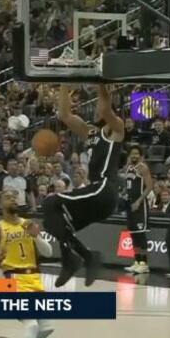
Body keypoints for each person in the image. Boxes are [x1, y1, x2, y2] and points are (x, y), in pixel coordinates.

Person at [42, 85, 123, 287]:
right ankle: (82, 258)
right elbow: (64, 114)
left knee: (50, 202)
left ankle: (79, 259)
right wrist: (63, 85)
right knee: (54, 223)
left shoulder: (115, 129)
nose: (96, 107)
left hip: (105, 189)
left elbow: (105, 109)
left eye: (98, 104)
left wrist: (101, 84)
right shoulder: (91, 133)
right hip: (99, 196)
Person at [0, 191, 54, 338]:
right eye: (8, 197)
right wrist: (1, 257)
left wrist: (36, 236)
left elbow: (49, 252)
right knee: (32, 327)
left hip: (34, 278)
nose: (13, 199)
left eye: (15, 197)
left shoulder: (28, 224)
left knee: (46, 328)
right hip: (14, 279)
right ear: (0, 204)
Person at [123, 145, 154, 274]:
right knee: (133, 234)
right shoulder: (129, 168)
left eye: (136, 153)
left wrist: (139, 201)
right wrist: (124, 193)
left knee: (141, 235)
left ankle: (144, 264)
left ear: (140, 155)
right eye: (132, 153)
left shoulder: (143, 168)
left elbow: (150, 186)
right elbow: (128, 184)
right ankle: (137, 261)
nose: (134, 155)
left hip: (140, 205)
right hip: (129, 204)